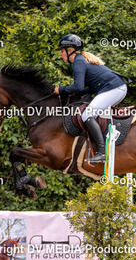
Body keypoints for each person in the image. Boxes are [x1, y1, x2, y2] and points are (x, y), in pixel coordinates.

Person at [54, 34, 130, 164]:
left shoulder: (78, 62)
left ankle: (102, 153)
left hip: (114, 89)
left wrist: (61, 89)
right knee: (93, 113)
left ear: (70, 50)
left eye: (62, 51)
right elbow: (89, 88)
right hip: (117, 88)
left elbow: (78, 86)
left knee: (87, 114)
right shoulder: (81, 59)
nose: (60, 54)